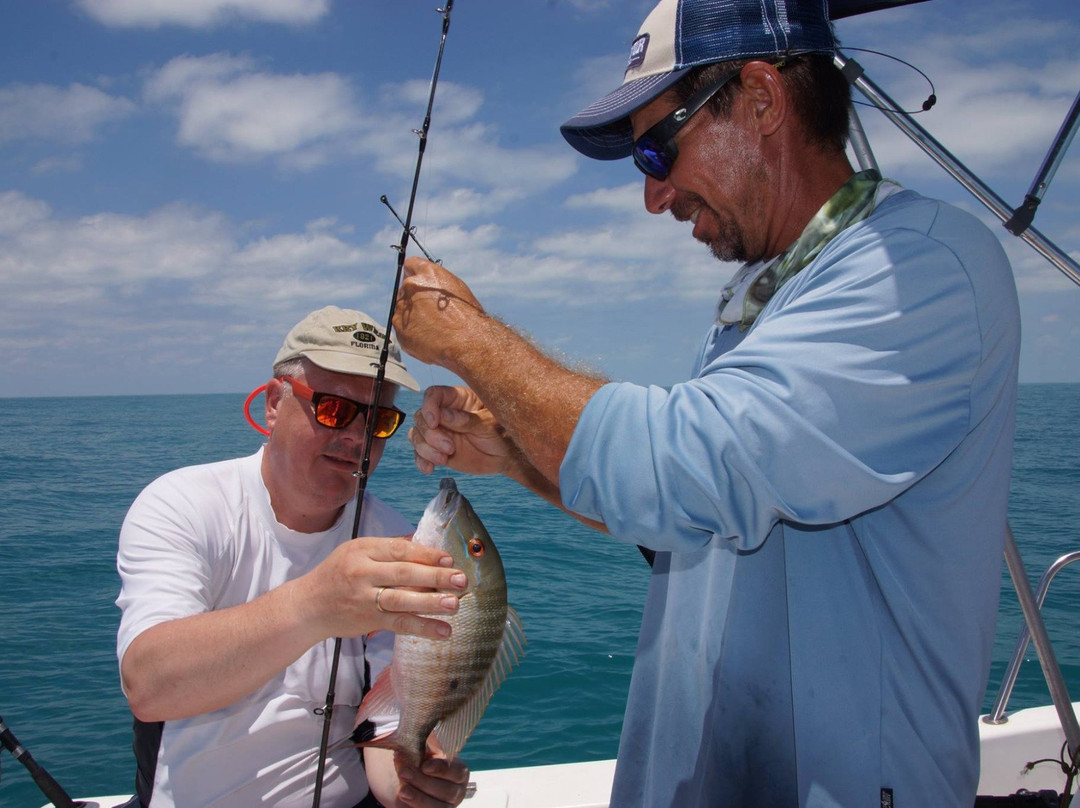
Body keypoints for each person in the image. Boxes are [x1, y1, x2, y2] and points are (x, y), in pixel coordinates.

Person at [391, 0, 1022, 806]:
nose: (654, 197)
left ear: (761, 99)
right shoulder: (760, 307)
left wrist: (470, 341)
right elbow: (688, 528)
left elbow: (687, 469)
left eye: (657, 149)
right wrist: (516, 456)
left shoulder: (922, 271)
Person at [115, 305, 472, 808]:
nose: (355, 436)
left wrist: (416, 784)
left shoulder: (395, 539)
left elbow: (387, 725)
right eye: (333, 409)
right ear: (274, 404)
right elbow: (148, 686)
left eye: (379, 420)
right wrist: (313, 605)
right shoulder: (184, 503)